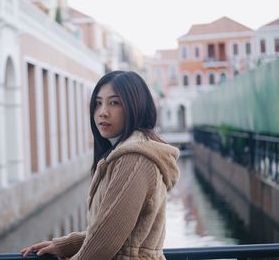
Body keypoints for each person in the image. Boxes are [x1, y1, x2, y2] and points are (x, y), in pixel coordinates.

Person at [21, 71, 180, 260]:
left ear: (135, 106)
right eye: (98, 103)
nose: (102, 112)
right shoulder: (125, 154)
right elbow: (115, 232)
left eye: (114, 102)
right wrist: (65, 245)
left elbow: (104, 244)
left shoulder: (135, 160)